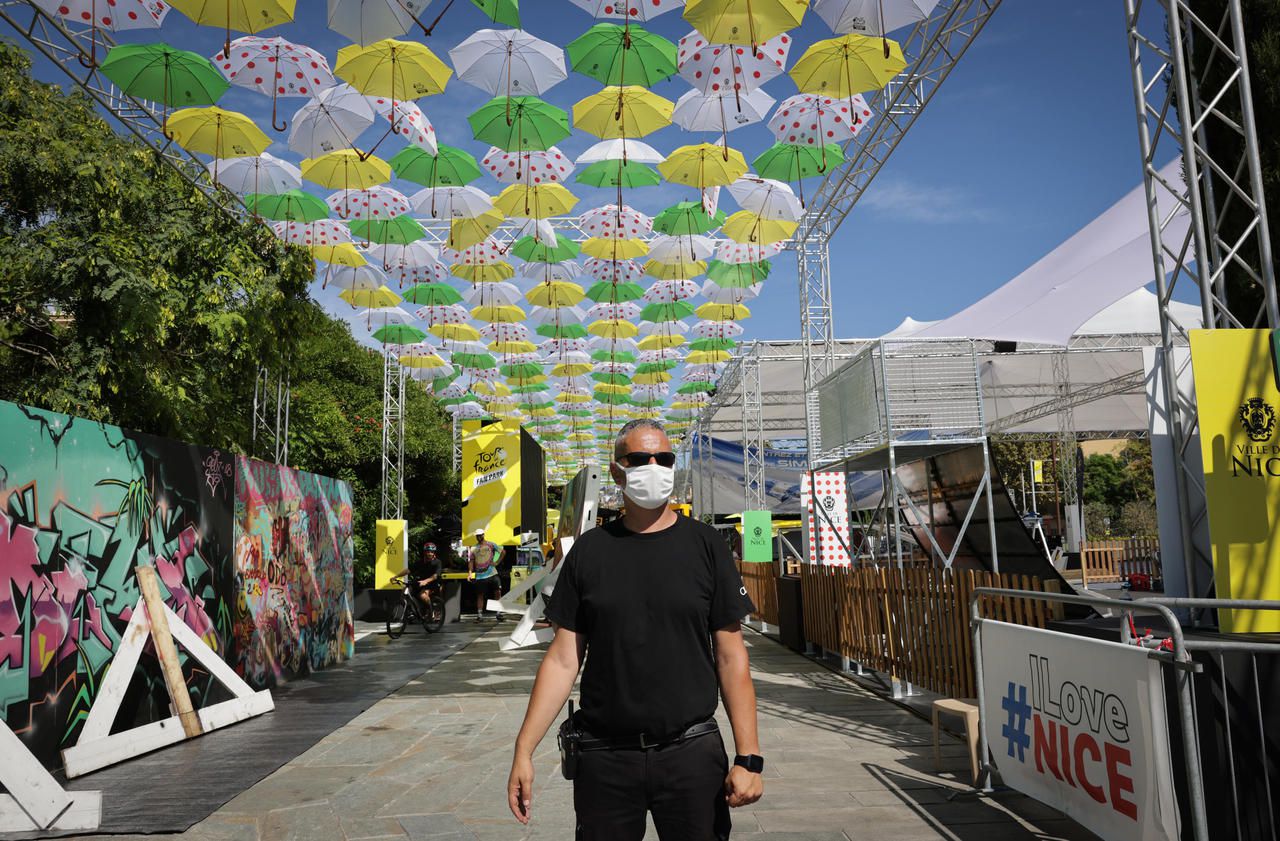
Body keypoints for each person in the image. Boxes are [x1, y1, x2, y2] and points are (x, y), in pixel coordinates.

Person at [506, 419, 764, 839]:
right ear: (616, 471)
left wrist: (748, 757)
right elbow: (562, 659)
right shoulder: (590, 551)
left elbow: (732, 657)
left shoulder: (706, 546)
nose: (654, 466)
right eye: (640, 458)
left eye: (663, 458)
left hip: (691, 753)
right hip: (604, 757)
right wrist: (524, 749)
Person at [468, 528, 503, 621]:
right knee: (480, 595)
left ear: (483, 535)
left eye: (480, 535)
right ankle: (479, 615)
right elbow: (471, 561)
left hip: (492, 573)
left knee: (498, 592)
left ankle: (498, 613)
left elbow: (503, 552)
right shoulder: (473, 548)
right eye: (477, 536)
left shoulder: (491, 544)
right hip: (480, 575)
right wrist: (470, 573)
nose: (479, 537)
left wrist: (497, 562)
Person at [406, 542, 442, 612]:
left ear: (434, 553)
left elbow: (435, 576)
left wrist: (425, 581)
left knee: (423, 595)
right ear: (424, 552)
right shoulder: (420, 562)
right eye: (428, 552)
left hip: (432, 584)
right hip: (420, 583)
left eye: (431, 552)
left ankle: (432, 611)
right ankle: (410, 610)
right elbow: (408, 570)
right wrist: (396, 576)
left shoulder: (437, 562)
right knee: (405, 590)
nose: (429, 553)